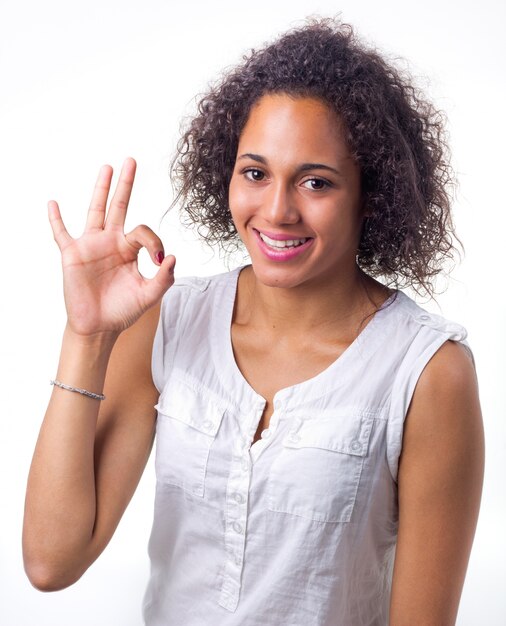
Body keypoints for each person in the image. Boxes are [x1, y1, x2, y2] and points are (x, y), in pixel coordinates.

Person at [23, 18, 484, 626]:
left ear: (371, 195)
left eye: (316, 181)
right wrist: (87, 336)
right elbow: (52, 564)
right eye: (256, 172)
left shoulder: (426, 372)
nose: (276, 210)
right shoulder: (169, 322)